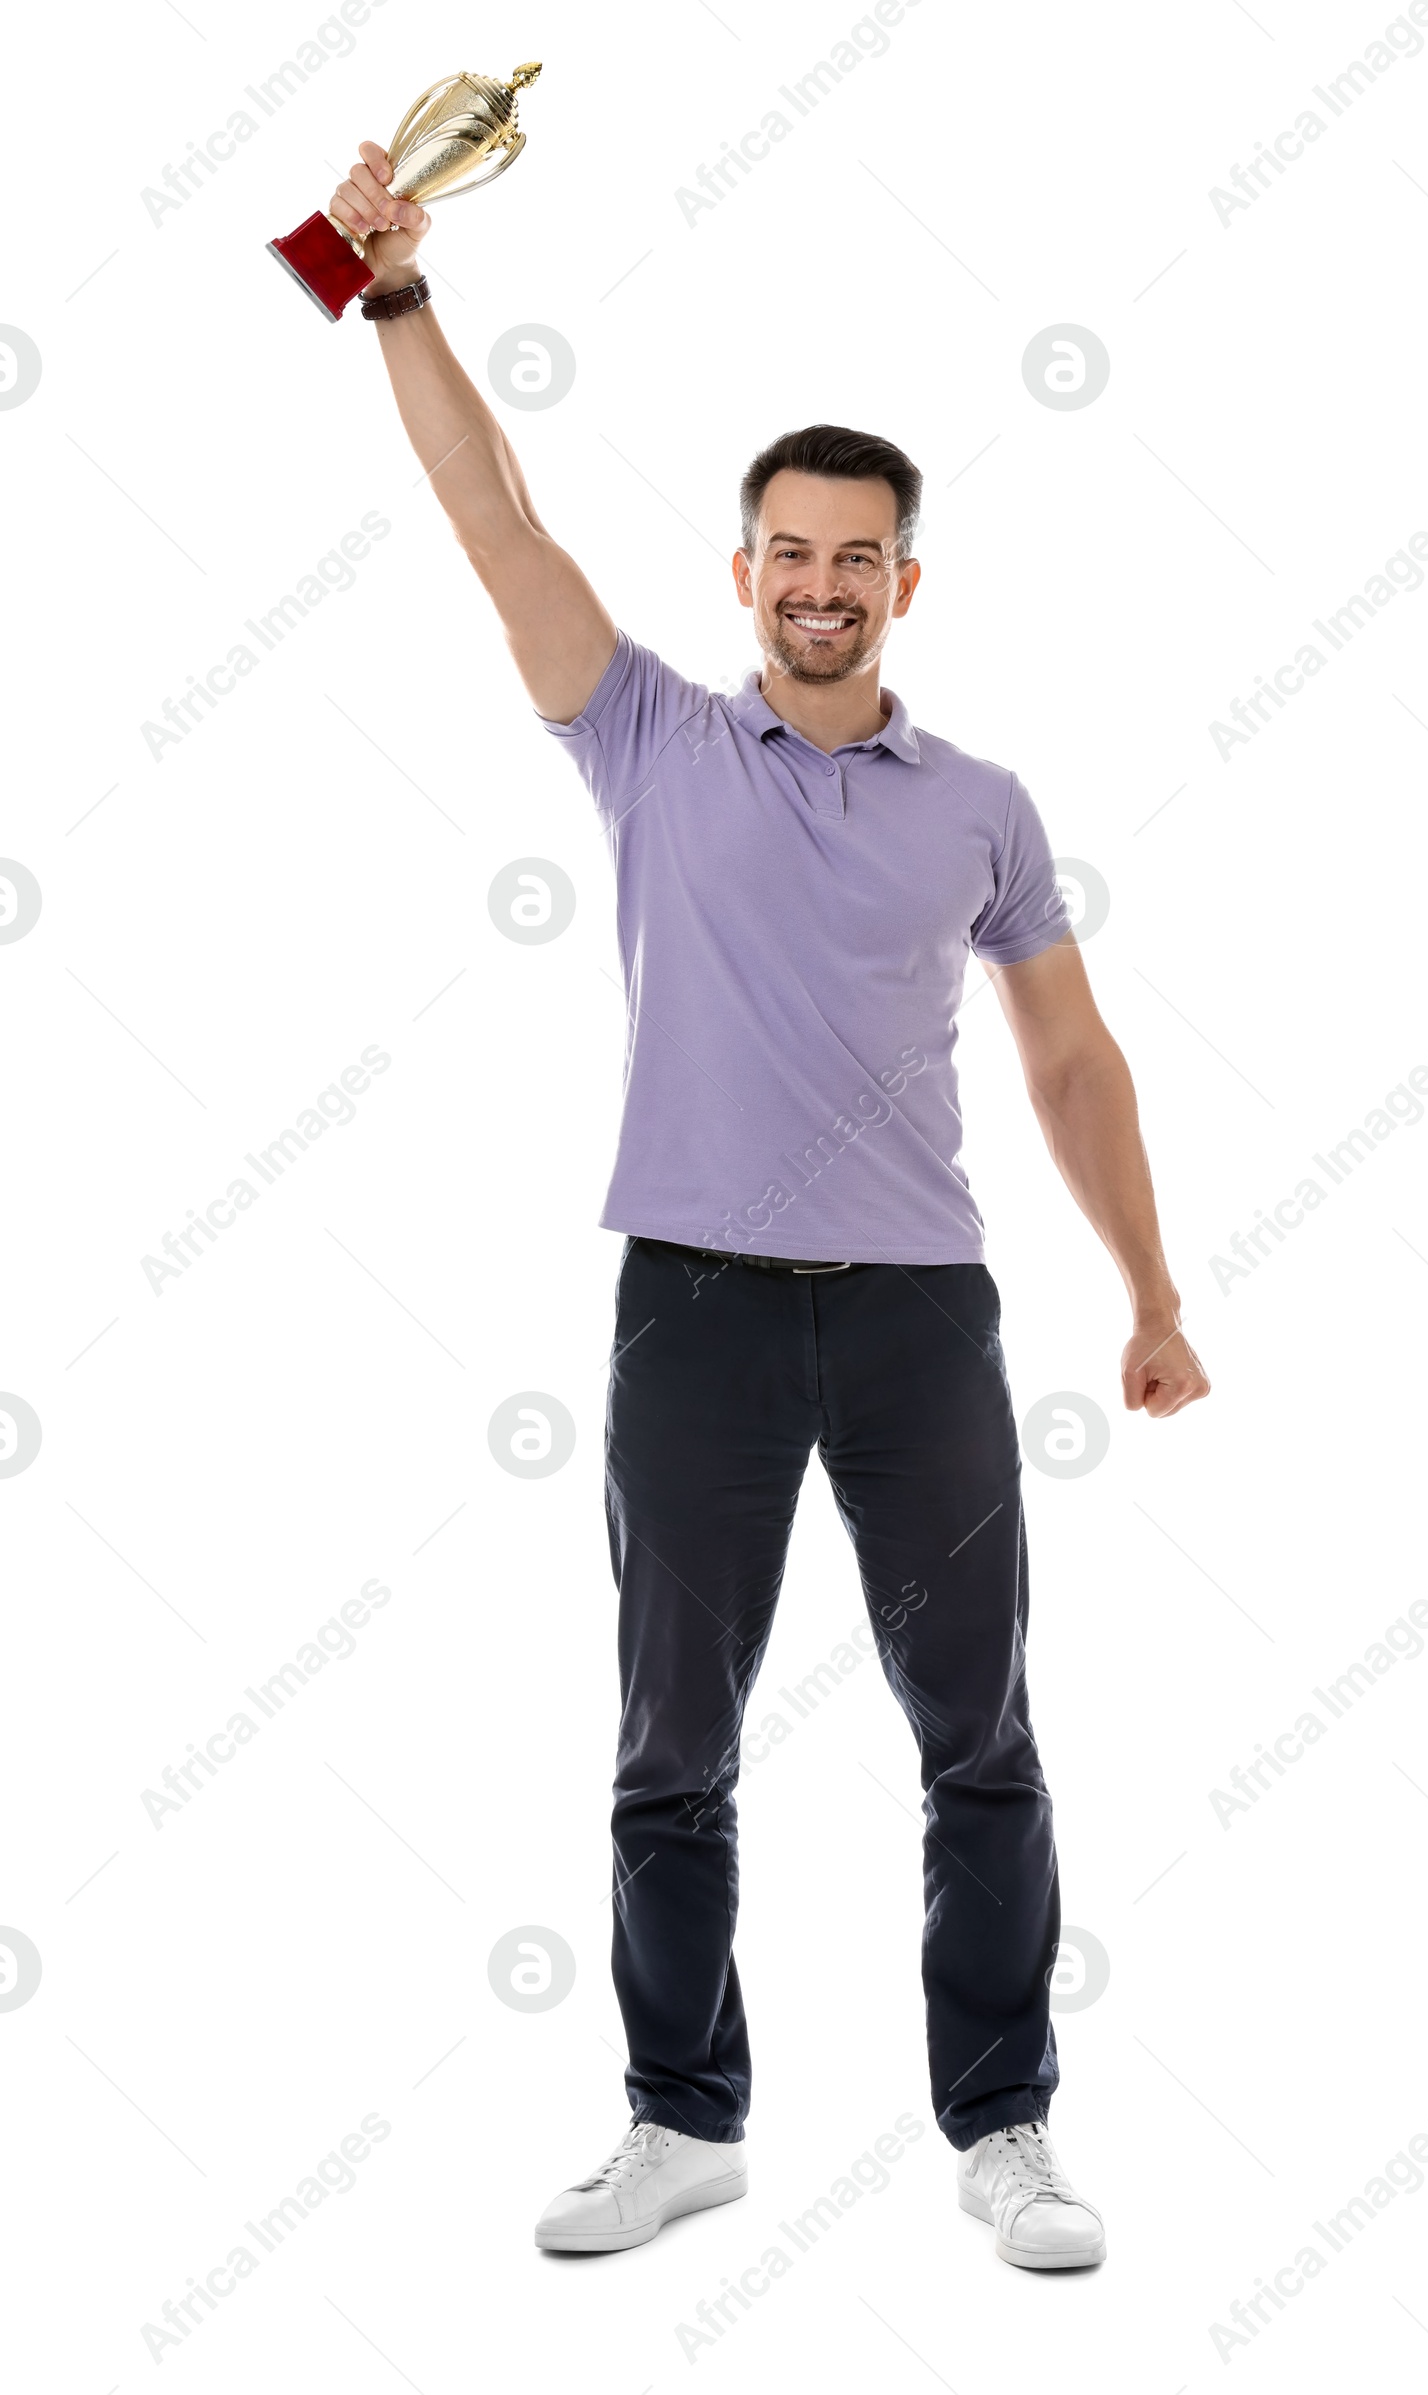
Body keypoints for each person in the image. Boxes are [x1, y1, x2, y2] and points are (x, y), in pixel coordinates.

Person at [332, 137, 1209, 2273]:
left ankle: (1001, 2126)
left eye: (859, 555)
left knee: (979, 1736)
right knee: (668, 1741)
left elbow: (1070, 1062)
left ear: (905, 582)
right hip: (695, 1310)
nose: (821, 581)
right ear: (743, 574)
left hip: (921, 1314)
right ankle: (678, 2114)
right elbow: (488, 518)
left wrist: (1150, 1292)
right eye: (789, 551)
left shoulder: (982, 807)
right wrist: (394, 296)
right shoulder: (644, 738)